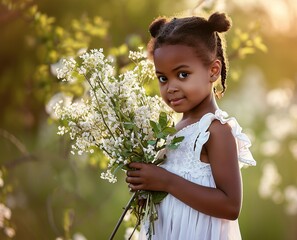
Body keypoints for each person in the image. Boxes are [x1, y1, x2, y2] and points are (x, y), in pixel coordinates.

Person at [126, 12, 256, 240]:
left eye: (182, 74)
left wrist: (165, 181)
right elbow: (172, 191)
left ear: (213, 71)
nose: (171, 87)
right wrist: (146, 186)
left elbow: (230, 206)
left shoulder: (215, 130)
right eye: (163, 78)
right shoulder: (174, 130)